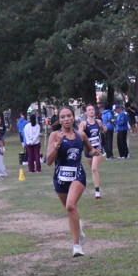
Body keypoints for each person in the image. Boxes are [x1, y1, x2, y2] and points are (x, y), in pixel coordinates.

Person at [46, 106, 98, 257]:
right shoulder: (55, 135)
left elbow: (90, 150)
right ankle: (79, 228)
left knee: (70, 205)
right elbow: (48, 161)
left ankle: (77, 246)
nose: (66, 119)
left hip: (78, 175)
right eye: (62, 117)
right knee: (70, 210)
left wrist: (96, 151)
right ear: (59, 120)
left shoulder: (80, 135)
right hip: (60, 179)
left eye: (69, 116)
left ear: (73, 117)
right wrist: (57, 145)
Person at [79, 105, 104, 198]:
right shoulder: (84, 123)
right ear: (86, 112)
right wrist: (82, 132)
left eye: (93, 109)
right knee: (93, 170)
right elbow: (79, 133)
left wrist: (105, 129)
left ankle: (97, 192)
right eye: (89, 110)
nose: (91, 111)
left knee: (94, 168)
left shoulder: (99, 122)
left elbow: (104, 129)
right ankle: (96, 186)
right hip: (88, 149)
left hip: (98, 148)